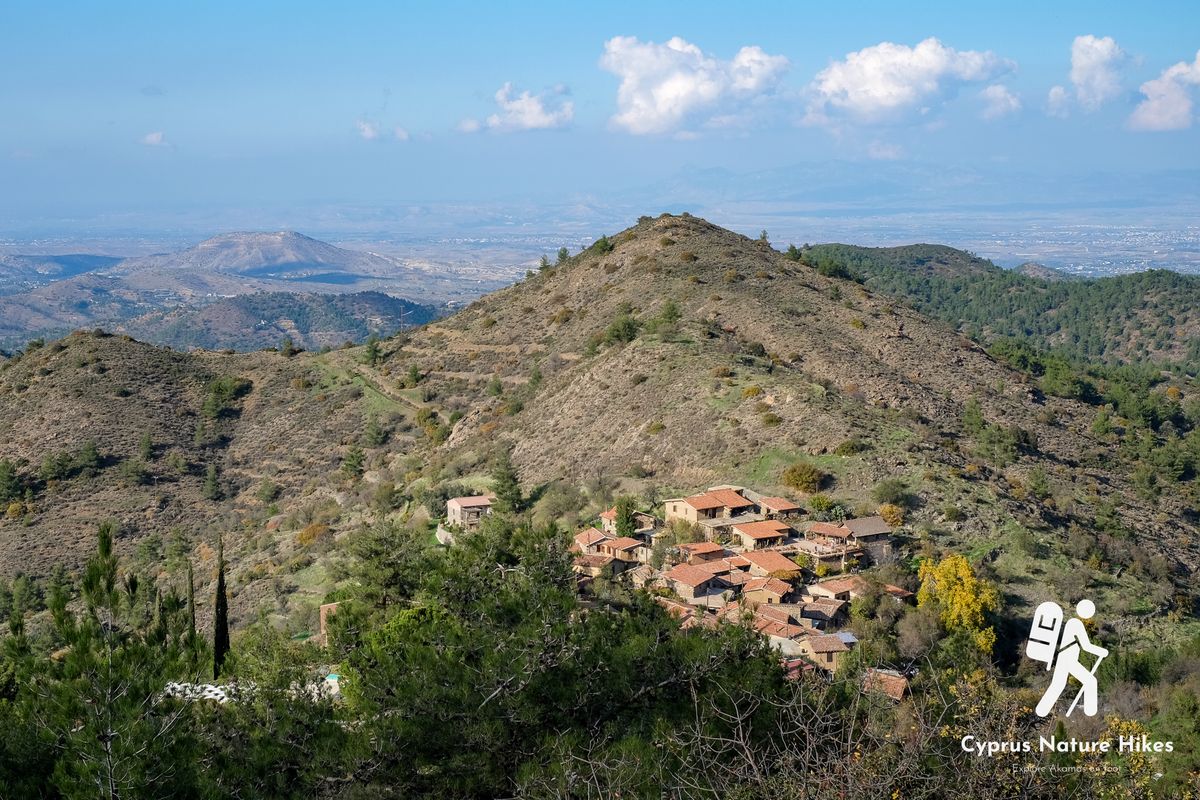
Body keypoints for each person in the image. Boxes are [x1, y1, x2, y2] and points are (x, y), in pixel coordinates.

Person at [1035, 599, 1108, 717]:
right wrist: (1102, 651)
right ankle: (1090, 713)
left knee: (1058, 685)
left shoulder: (1073, 623)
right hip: (1068, 660)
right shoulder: (1075, 623)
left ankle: (1041, 711)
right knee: (1089, 681)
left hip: (1067, 659)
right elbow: (1086, 646)